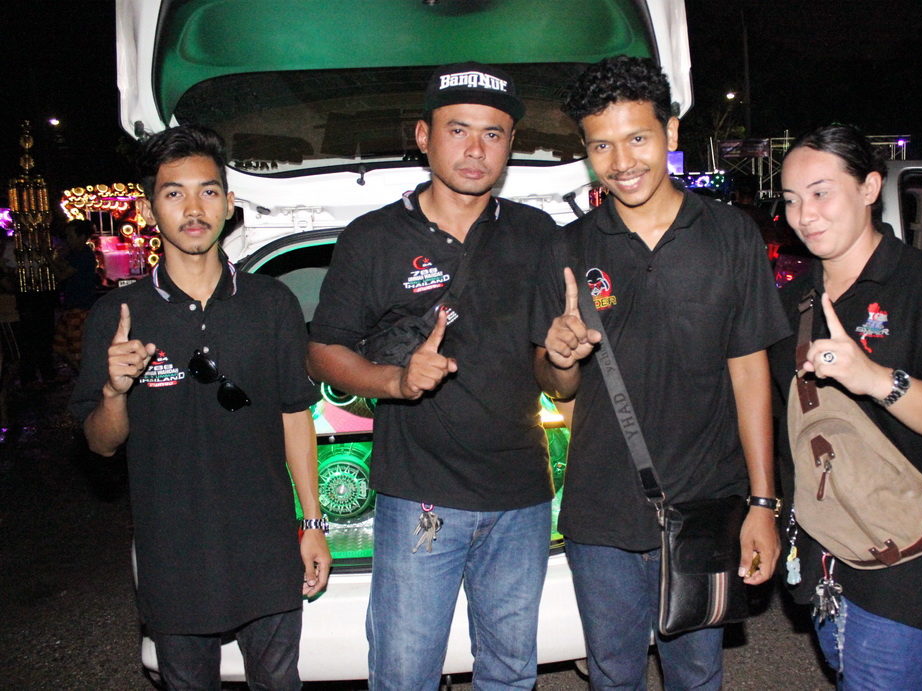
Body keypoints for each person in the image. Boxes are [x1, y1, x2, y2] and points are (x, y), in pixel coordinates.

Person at [530, 56, 789, 690]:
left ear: (671, 131)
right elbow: (556, 385)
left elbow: (750, 374)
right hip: (602, 508)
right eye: (601, 145)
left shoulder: (730, 235)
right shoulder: (568, 247)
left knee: (696, 672)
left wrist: (762, 502)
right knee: (612, 673)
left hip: (707, 500)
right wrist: (558, 358)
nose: (622, 162)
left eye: (637, 138)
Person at [307, 63, 556, 690]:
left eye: (493, 134)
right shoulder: (373, 238)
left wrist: (564, 355)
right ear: (423, 136)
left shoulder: (536, 234)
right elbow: (323, 352)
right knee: (404, 673)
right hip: (420, 496)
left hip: (522, 497)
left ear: (511, 145)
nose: (475, 150)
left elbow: (557, 375)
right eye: (458, 130)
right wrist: (396, 381)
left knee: (511, 672)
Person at [69, 124, 330, 690]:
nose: (193, 209)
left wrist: (312, 523)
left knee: (279, 682)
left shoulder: (271, 303)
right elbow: (100, 443)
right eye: (174, 193)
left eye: (208, 191)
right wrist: (114, 391)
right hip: (173, 555)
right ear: (149, 208)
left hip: (266, 547)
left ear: (229, 204)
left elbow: (294, 416)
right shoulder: (118, 316)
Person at [770, 124, 922, 689]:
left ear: (870, 188)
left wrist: (877, 379)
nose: (805, 215)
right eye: (792, 199)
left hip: (902, 550)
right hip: (822, 542)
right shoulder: (793, 298)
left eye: (822, 192)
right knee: (847, 670)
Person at [53, 218, 99, 371]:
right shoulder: (75, 254)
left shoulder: (84, 255)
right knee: (60, 346)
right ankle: (82, 376)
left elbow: (62, 275)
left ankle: (85, 377)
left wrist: (48, 259)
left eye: (70, 236)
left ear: (82, 237)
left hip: (80, 307)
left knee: (76, 350)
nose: (67, 240)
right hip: (72, 306)